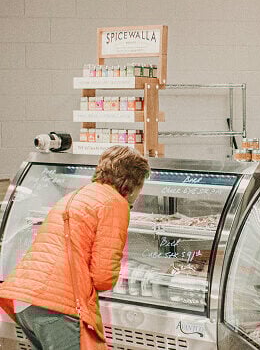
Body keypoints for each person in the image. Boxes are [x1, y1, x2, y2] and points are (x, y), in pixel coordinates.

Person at [0, 146, 150, 350]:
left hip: (25, 299)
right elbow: (102, 276)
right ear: (134, 183)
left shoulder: (80, 194)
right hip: (55, 304)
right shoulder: (115, 203)